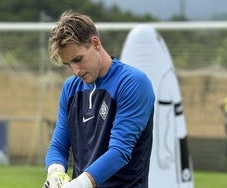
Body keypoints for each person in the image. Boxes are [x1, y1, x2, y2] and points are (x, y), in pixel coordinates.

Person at [42, 10, 155, 188]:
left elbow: (119, 152)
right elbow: (58, 146)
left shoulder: (133, 83)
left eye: (78, 59)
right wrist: (55, 173)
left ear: (95, 43)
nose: (76, 71)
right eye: (68, 64)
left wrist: (76, 185)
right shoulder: (70, 88)